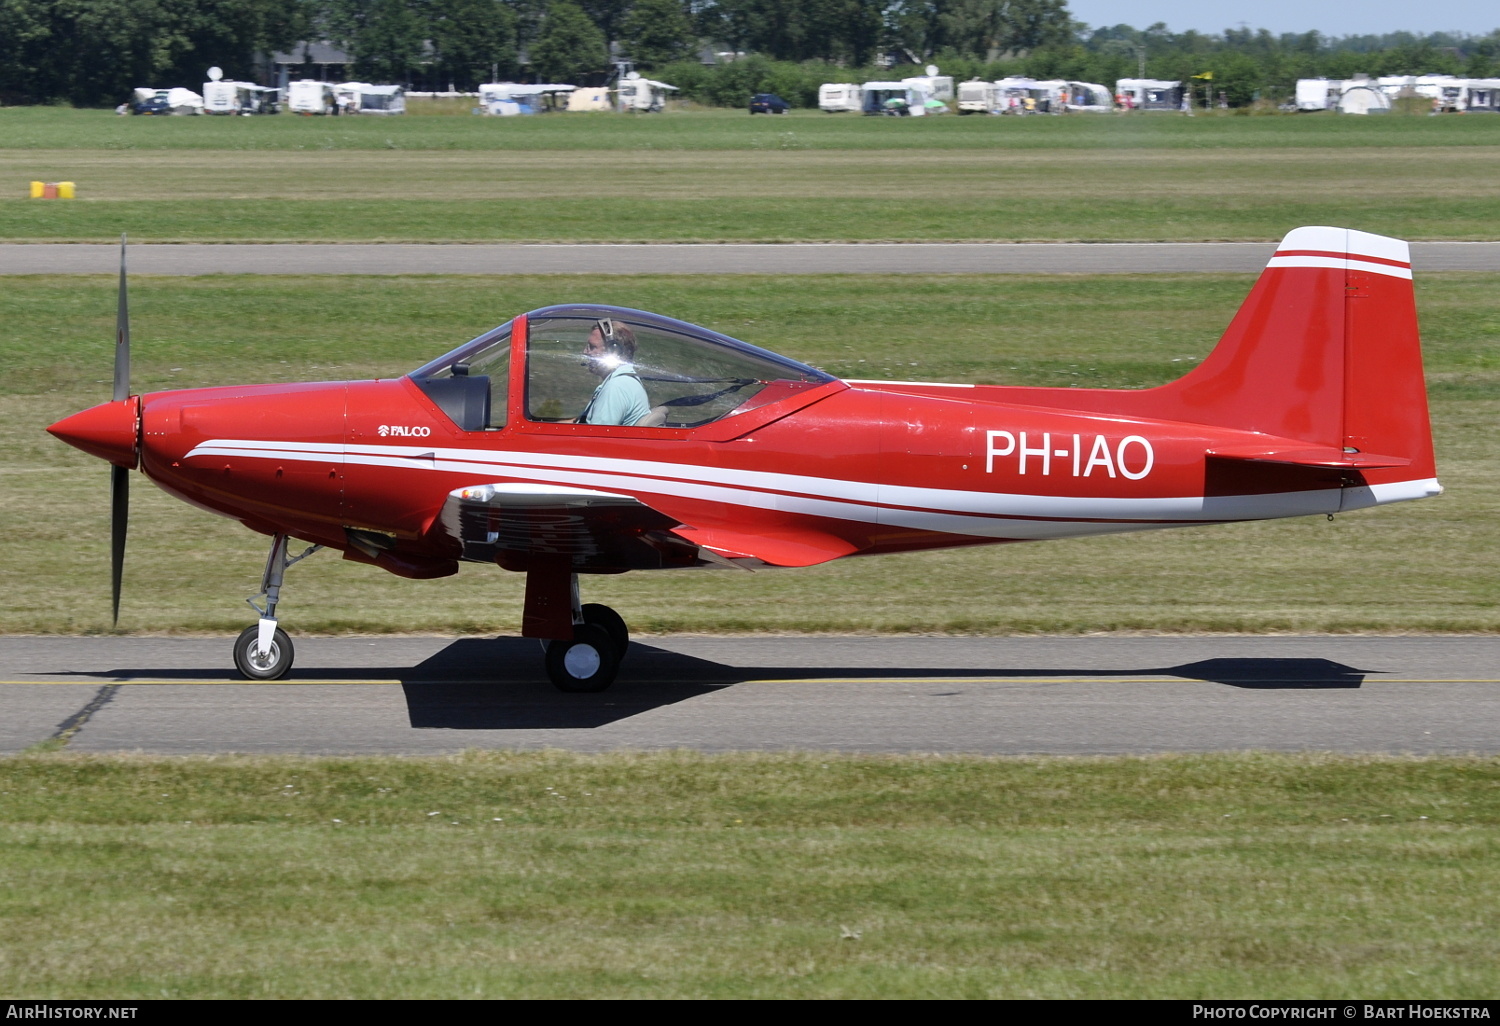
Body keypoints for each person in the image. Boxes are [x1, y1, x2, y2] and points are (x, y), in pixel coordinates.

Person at [578, 318, 651, 426]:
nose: (585, 352)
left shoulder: (616, 388)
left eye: (592, 347)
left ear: (614, 351)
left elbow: (596, 437)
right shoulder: (624, 381)